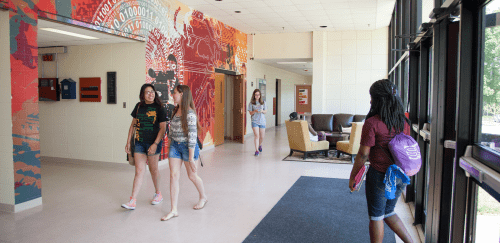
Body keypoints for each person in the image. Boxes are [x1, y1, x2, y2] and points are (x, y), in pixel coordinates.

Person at [349, 79, 413, 243]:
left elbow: (363, 154)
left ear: (379, 99)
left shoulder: (372, 123)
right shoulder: (403, 121)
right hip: (400, 175)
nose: (370, 100)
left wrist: (353, 177)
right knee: (389, 212)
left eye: (372, 97)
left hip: (380, 176)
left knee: (376, 217)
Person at [161, 85, 207, 221]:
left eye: (174, 93)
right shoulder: (175, 110)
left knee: (192, 176)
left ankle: (203, 196)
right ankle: (174, 210)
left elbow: (192, 136)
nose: (172, 95)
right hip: (175, 146)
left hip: (189, 148)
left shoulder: (190, 113)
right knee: (173, 176)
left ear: (182, 94)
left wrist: (192, 158)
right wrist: (170, 146)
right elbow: (171, 131)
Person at [123, 84, 167, 210]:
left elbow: (163, 128)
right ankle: (132, 200)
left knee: (153, 170)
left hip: (153, 143)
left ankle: (158, 194)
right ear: (142, 94)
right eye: (147, 92)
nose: (150, 94)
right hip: (139, 143)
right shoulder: (139, 106)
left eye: (152, 92)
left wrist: (155, 144)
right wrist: (128, 142)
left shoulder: (160, 108)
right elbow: (133, 125)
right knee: (139, 171)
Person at [248, 89, 267, 156]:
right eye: (256, 95)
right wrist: (255, 111)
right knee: (257, 135)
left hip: (262, 121)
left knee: (262, 137)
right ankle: (256, 150)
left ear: (260, 95)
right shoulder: (251, 103)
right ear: (254, 95)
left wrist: (262, 111)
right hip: (254, 121)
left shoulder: (263, 102)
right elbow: (250, 113)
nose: (257, 96)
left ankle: (260, 145)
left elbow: (265, 111)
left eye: (258, 95)